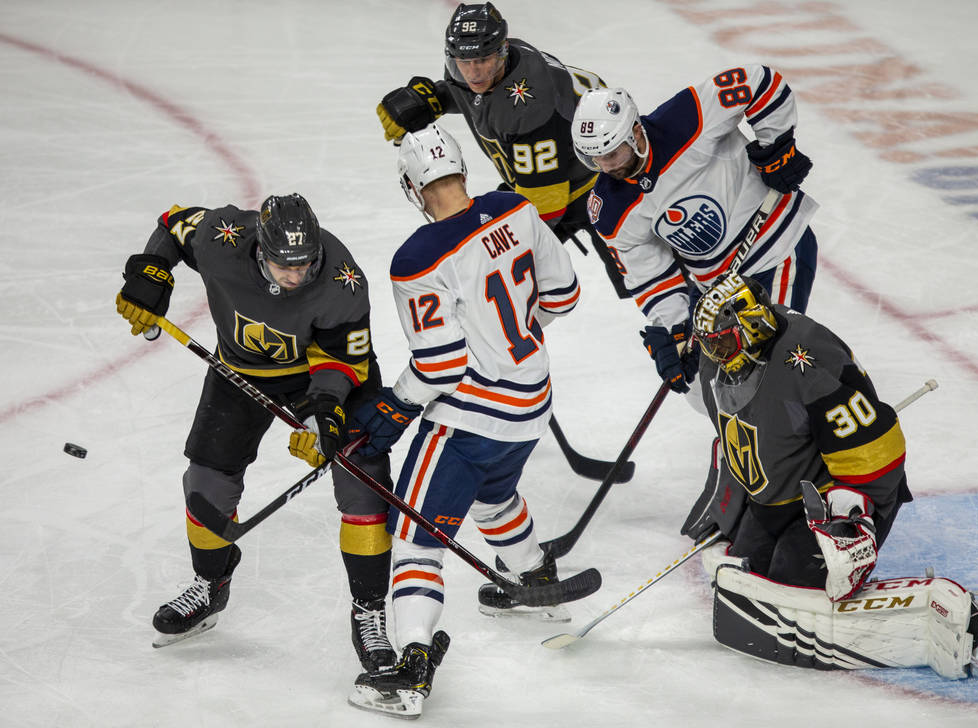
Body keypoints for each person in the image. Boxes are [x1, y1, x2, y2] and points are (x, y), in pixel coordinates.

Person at [346, 124, 583, 719]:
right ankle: (533, 581)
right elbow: (562, 295)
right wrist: (507, 344)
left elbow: (440, 363)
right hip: (532, 400)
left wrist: (396, 405)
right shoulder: (516, 208)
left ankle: (412, 667)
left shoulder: (418, 257)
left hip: (469, 418)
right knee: (494, 497)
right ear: (462, 169)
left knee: (416, 540)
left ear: (412, 185)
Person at [114, 193, 398, 673]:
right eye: (285, 266)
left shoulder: (342, 279)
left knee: (365, 486)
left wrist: (320, 418)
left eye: (306, 265)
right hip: (239, 372)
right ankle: (211, 583)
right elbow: (170, 226)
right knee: (205, 482)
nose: (297, 276)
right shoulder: (221, 237)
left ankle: (369, 610)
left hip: (323, 376)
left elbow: (343, 363)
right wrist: (151, 275)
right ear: (259, 250)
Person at [678, 271, 978, 678]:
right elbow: (736, 435)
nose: (715, 353)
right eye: (708, 343)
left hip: (835, 497)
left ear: (751, 327)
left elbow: (877, 455)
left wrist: (853, 519)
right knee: (746, 576)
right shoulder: (719, 365)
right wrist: (728, 496)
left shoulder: (809, 365)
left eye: (722, 342)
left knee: (790, 586)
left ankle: (954, 615)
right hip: (776, 499)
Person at [570, 68, 818, 393]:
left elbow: (760, 82)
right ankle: (746, 440)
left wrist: (777, 148)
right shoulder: (609, 207)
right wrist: (676, 329)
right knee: (708, 392)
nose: (606, 166)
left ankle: (807, 434)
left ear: (635, 133)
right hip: (717, 290)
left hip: (776, 245)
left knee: (775, 367)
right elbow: (649, 276)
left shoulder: (683, 119)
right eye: (596, 159)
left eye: (612, 153)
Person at [375, 2, 630, 299]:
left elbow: (545, 208)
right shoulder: (484, 68)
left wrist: (495, 243)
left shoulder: (530, 106)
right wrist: (434, 99)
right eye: (463, 61)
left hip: (604, 186)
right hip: (548, 174)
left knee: (648, 283)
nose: (473, 72)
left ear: (502, 51)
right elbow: (473, 96)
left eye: (484, 60)